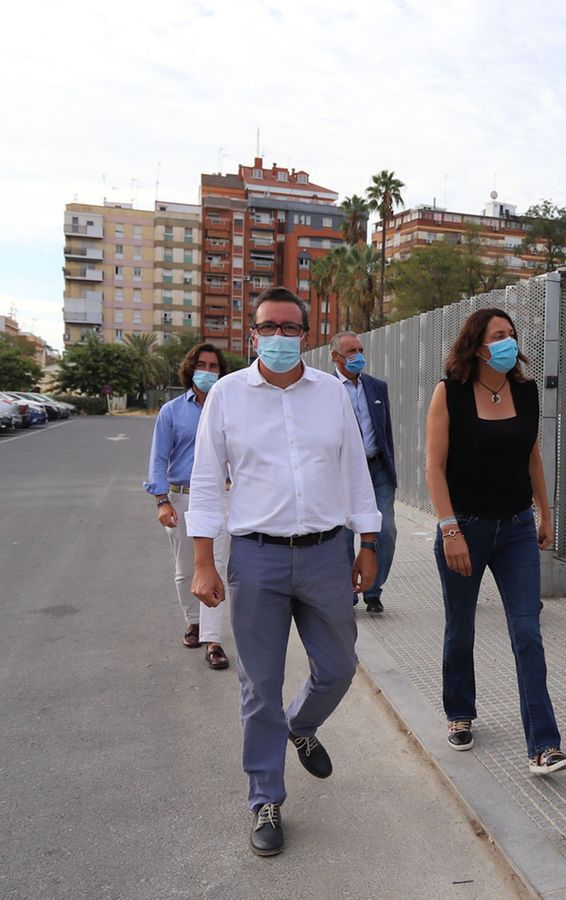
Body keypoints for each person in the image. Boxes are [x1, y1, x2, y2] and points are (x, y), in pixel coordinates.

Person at [186, 286, 381, 857]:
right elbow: (204, 481)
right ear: (253, 335)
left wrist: (368, 540)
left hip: (326, 553)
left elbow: (354, 472)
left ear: (305, 335)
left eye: (289, 328)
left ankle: (299, 724)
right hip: (256, 556)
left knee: (340, 667)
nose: (278, 337)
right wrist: (204, 561)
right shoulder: (226, 396)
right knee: (259, 686)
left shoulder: (329, 395)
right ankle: (265, 797)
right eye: (267, 327)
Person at [424, 307, 566, 776]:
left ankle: (544, 746)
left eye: (511, 334)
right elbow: (434, 467)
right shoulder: (450, 393)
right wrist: (450, 530)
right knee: (460, 626)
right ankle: (459, 711)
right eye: (498, 335)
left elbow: (533, 458)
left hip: (517, 528)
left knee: (527, 631)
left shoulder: (525, 392)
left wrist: (546, 513)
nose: (508, 342)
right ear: (477, 344)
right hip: (464, 526)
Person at [145, 343, 231, 670]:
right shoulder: (171, 412)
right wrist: (161, 500)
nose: (207, 372)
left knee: (215, 565)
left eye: (213, 366)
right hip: (183, 496)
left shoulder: (228, 408)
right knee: (186, 570)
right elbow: (158, 459)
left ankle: (213, 640)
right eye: (202, 365)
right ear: (190, 369)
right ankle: (193, 621)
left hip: (221, 496)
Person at [330, 330, 398, 614]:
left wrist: (391, 469)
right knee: (345, 535)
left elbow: (386, 431)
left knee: (387, 530)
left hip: (377, 468)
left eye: (360, 350)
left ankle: (373, 589)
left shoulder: (376, 387)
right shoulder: (326, 389)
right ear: (335, 357)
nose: (358, 356)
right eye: (351, 352)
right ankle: (348, 592)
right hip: (341, 473)